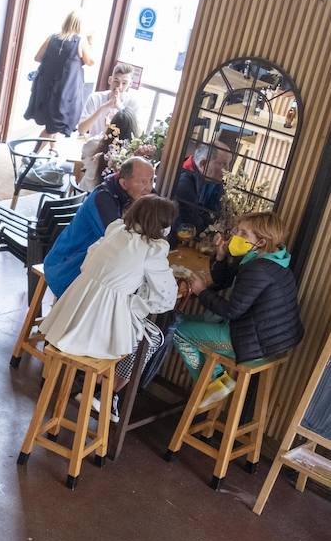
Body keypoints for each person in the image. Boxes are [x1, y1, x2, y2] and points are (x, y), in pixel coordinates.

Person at [40, 196, 179, 420]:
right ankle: (106, 393)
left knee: (133, 330)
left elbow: (89, 261)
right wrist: (135, 300)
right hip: (99, 330)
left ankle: (94, 389)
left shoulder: (116, 229)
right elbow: (166, 298)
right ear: (161, 225)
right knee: (150, 338)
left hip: (70, 314)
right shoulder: (152, 249)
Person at [176, 211, 303, 409]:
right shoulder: (270, 260)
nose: (237, 236)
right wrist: (220, 256)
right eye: (238, 231)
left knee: (177, 330)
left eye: (244, 234)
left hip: (255, 343)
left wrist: (201, 291)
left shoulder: (258, 269)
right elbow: (228, 281)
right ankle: (215, 382)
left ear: (260, 242)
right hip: (270, 339)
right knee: (180, 321)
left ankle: (214, 382)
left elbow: (232, 311)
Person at [44, 156, 155, 297]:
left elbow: (161, 216)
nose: (149, 188)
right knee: (117, 299)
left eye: (152, 180)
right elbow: (118, 243)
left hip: (97, 266)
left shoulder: (137, 192)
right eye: (143, 182)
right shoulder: (103, 198)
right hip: (67, 267)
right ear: (124, 183)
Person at [23, 10, 95, 142]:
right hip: (65, 91)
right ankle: (32, 156)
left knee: (51, 121)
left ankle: (52, 150)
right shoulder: (80, 40)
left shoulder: (52, 37)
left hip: (45, 87)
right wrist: (90, 44)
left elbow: (38, 57)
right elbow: (91, 61)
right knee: (53, 126)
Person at [171, 142, 233, 238]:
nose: (227, 170)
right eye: (223, 165)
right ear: (203, 164)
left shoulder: (214, 179)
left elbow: (217, 213)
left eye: (228, 164)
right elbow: (193, 224)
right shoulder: (183, 182)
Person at [77, 108, 138, 194]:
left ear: (112, 125)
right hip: (110, 202)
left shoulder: (93, 144)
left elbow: (84, 160)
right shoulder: (135, 156)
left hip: (83, 198)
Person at [77, 62, 137, 138]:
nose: (119, 86)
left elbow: (134, 134)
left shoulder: (133, 103)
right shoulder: (95, 97)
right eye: (116, 81)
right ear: (110, 80)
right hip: (92, 145)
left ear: (130, 84)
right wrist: (103, 107)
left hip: (118, 148)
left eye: (124, 83)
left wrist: (120, 107)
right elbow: (81, 130)